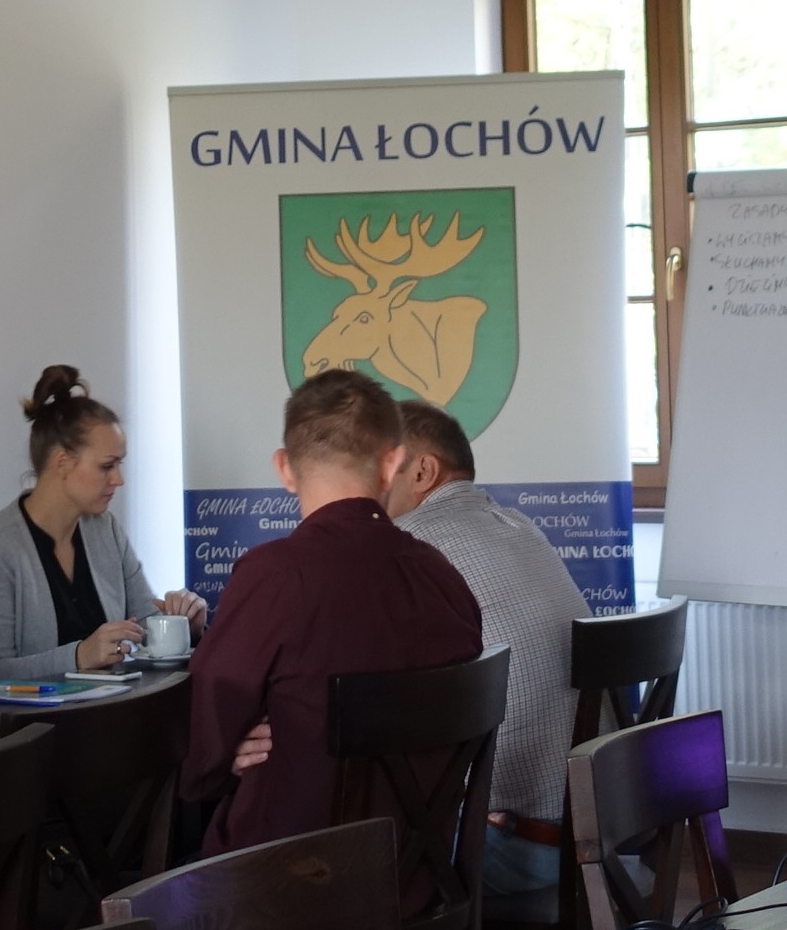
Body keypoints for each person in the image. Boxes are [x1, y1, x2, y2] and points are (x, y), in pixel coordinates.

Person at [183, 372, 482, 856]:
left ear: (285, 468)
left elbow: (207, 724)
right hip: (419, 874)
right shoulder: (442, 576)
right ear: (392, 464)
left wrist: (219, 760)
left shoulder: (274, 575)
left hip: (287, 877)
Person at [384, 402, 590, 893]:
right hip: (597, 831)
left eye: (381, 465)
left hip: (520, 848)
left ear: (423, 470)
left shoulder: (408, 547)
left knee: (342, 866)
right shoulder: (517, 525)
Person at [0, 366, 210, 683]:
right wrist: (79, 656)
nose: (119, 479)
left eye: (119, 464)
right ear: (62, 463)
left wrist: (186, 625)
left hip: (114, 709)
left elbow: (145, 626)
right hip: (35, 719)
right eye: (107, 466)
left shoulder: (106, 530)